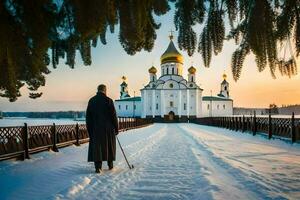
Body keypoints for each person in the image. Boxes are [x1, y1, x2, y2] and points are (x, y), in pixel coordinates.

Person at [86, 84, 119, 173]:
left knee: (97, 148)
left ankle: (98, 167)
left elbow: (88, 118)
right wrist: (116, 128)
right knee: (109, 146)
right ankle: (110, 165)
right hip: (108, 129)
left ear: (98, 90)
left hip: (96, 129)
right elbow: (113, 116)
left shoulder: (91, 101)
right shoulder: (108, 100)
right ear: (105, 90)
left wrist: (90, 131)